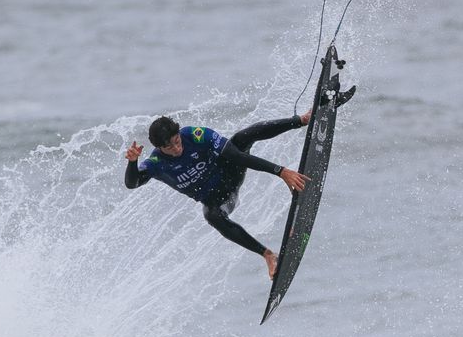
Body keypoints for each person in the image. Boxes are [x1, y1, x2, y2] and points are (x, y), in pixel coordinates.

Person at [123, 89, 354, 279]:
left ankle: (303, 119)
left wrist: (280, 171)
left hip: (231, 172)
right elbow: (132, 183)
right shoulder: (155, 162)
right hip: (219, 198)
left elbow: (237, 156)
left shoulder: (195, 135)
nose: (177, 148)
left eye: (176, 142)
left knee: (242, 137)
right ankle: (267, 255)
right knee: (212, 216)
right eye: (169, 148)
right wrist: (132, 162)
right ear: (159, 148)